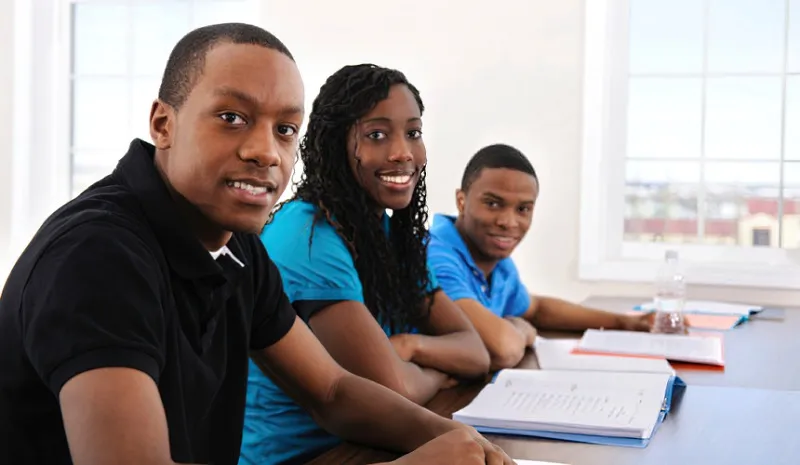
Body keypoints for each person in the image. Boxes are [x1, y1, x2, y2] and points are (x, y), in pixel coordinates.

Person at [0, 24, 511, 465]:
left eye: (285, 129)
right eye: (232, 118)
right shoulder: (98, 256)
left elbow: (331, 390)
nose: (265, 152)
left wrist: (461, 440)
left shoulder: (238, 248)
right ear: (163, 124)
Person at [240, 63, 491, 465]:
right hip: (303, 457)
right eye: (377, 134)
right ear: (336, 144)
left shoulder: (390, 235)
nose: (402, 153)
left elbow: (475, 352)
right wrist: (439, 372)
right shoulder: (307, 237)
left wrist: (409, 346)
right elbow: (396, 388)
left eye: (413, 133)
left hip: (371, 444)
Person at [427, 143, 652, 371]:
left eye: (523, 209)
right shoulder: (434, 254)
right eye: (493, 204)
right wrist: (520, 329)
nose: (508, 222)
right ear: (461, 201)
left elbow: (537, 309)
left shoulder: (497, 261)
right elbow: (501, 348)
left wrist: (625, 322)